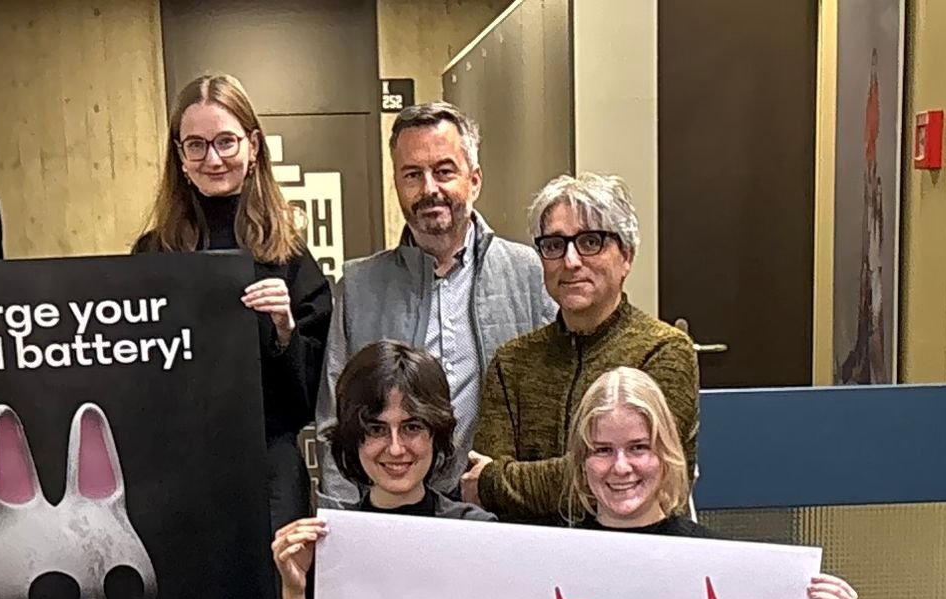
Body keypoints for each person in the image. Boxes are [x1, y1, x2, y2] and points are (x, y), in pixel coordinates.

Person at [565, 370, 861, 599]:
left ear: (666, 453)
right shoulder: (551, 570)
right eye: (603, 450)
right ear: (582, 460)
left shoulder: (728, 574)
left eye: (639, 447)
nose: (621, 466)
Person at [134, 76, 330, 528]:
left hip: (269, 466)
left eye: (226, 141)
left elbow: (311, 397)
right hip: (178, 469)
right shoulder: (153, 253)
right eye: (197, 145)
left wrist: (285, 330)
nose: (214, 158)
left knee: (279, 593)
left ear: (253, 145)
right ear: (180, 157)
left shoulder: (289, 253)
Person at [315, 104, 549, 467]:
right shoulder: (360, 288)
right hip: (396, 509)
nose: (429, 189)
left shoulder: (529, 274)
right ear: (396, 184)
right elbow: (336, 421)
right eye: (412, 175)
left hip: (502, 508)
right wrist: (344, 517)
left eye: (444, 171)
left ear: (474, 180)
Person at [465, 176, 698, 523]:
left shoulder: (664, 351)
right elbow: (480, 488)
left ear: (627, 257)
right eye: (555, 245)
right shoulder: (512, 363)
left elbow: (647, 479)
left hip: (635, 556)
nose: (571, 261)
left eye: (591, 241)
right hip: (533, 559)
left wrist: (502, 479)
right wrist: (496, 483)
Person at [272, 342, 486, 599]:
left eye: (412, 427)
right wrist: (295, 592)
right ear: (352, 436)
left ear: (437, 433)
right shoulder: (323, 547)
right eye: (376, 429)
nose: (396, 449)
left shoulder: (477, 532)